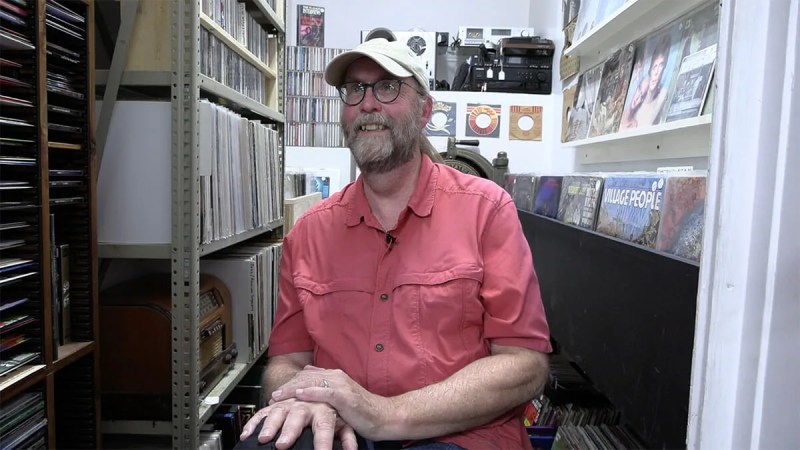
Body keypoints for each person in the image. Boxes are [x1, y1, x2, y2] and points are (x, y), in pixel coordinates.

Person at [239, 37, 552, 450]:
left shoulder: (487, 211)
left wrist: (386, 415)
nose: (368, 103)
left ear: (424, 111)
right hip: (340, 433)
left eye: (387, 87)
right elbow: (286, 362)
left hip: (459, 437)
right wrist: (304, 394)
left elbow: (525, 365)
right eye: (355, 89)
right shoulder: (308, 233)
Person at [631, 34, 672, 127]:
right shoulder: (640, 94)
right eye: (654, 67)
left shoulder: (663, 95)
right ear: (650, 69)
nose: (656, 72)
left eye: (661, 66)